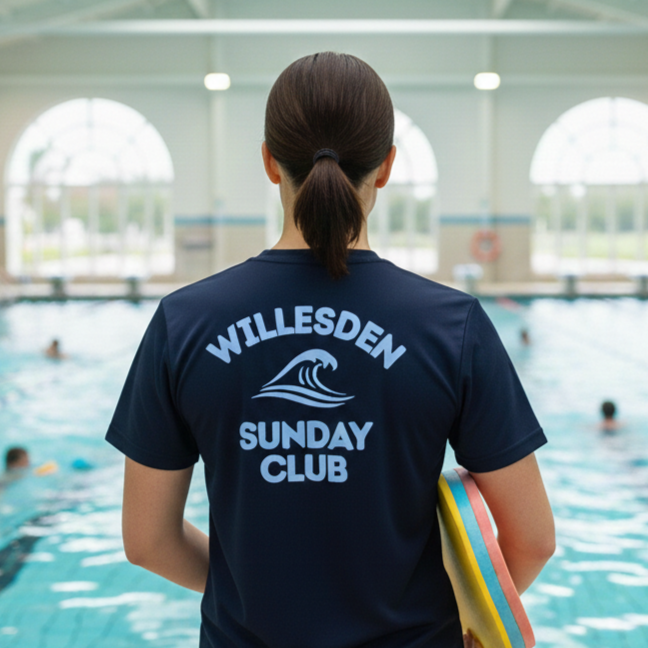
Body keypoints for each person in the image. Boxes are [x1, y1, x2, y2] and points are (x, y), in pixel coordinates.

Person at [106, 52, 555, 648]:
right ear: (388, 165)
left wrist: (257, 592)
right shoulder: (453, 325)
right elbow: (532, 539)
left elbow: (148, 542)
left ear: (270, 161)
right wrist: (472, 625)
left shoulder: (185, 322)